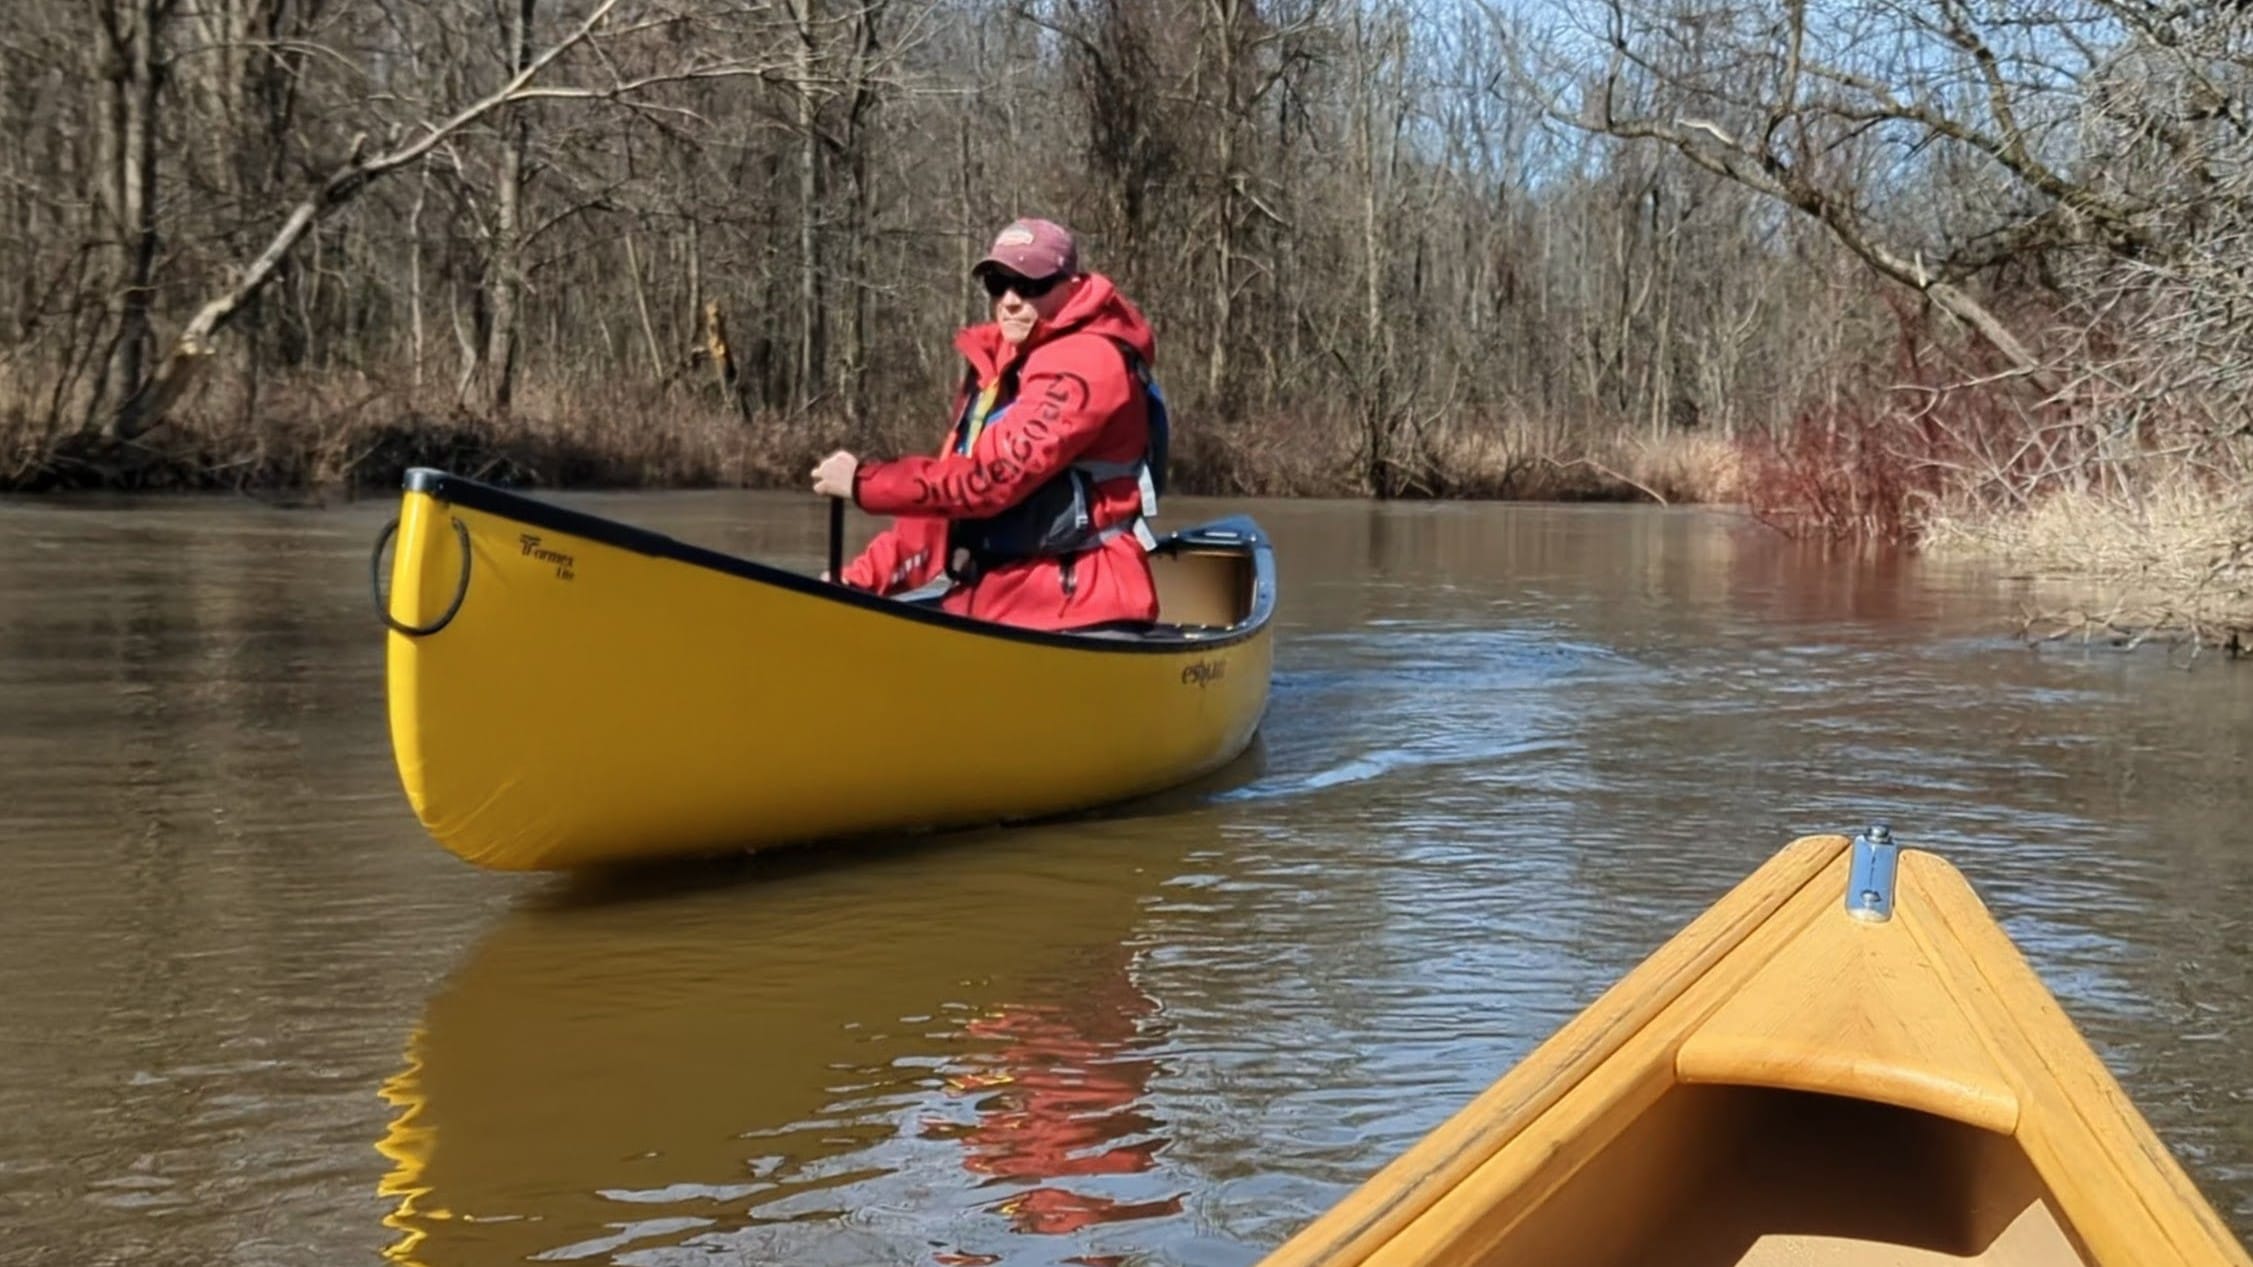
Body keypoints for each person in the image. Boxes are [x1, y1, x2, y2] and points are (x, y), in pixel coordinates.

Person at [810, 217, 1166, 633]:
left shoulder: (1087, 363)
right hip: (995, 600)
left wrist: (864, 483)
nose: (1011, 299)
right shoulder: (997, 366)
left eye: (1031, 285)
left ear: (1070, 286)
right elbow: (946, 502)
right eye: (998, 283)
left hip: (1079, 608)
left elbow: (988, 482)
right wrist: (860, 581)